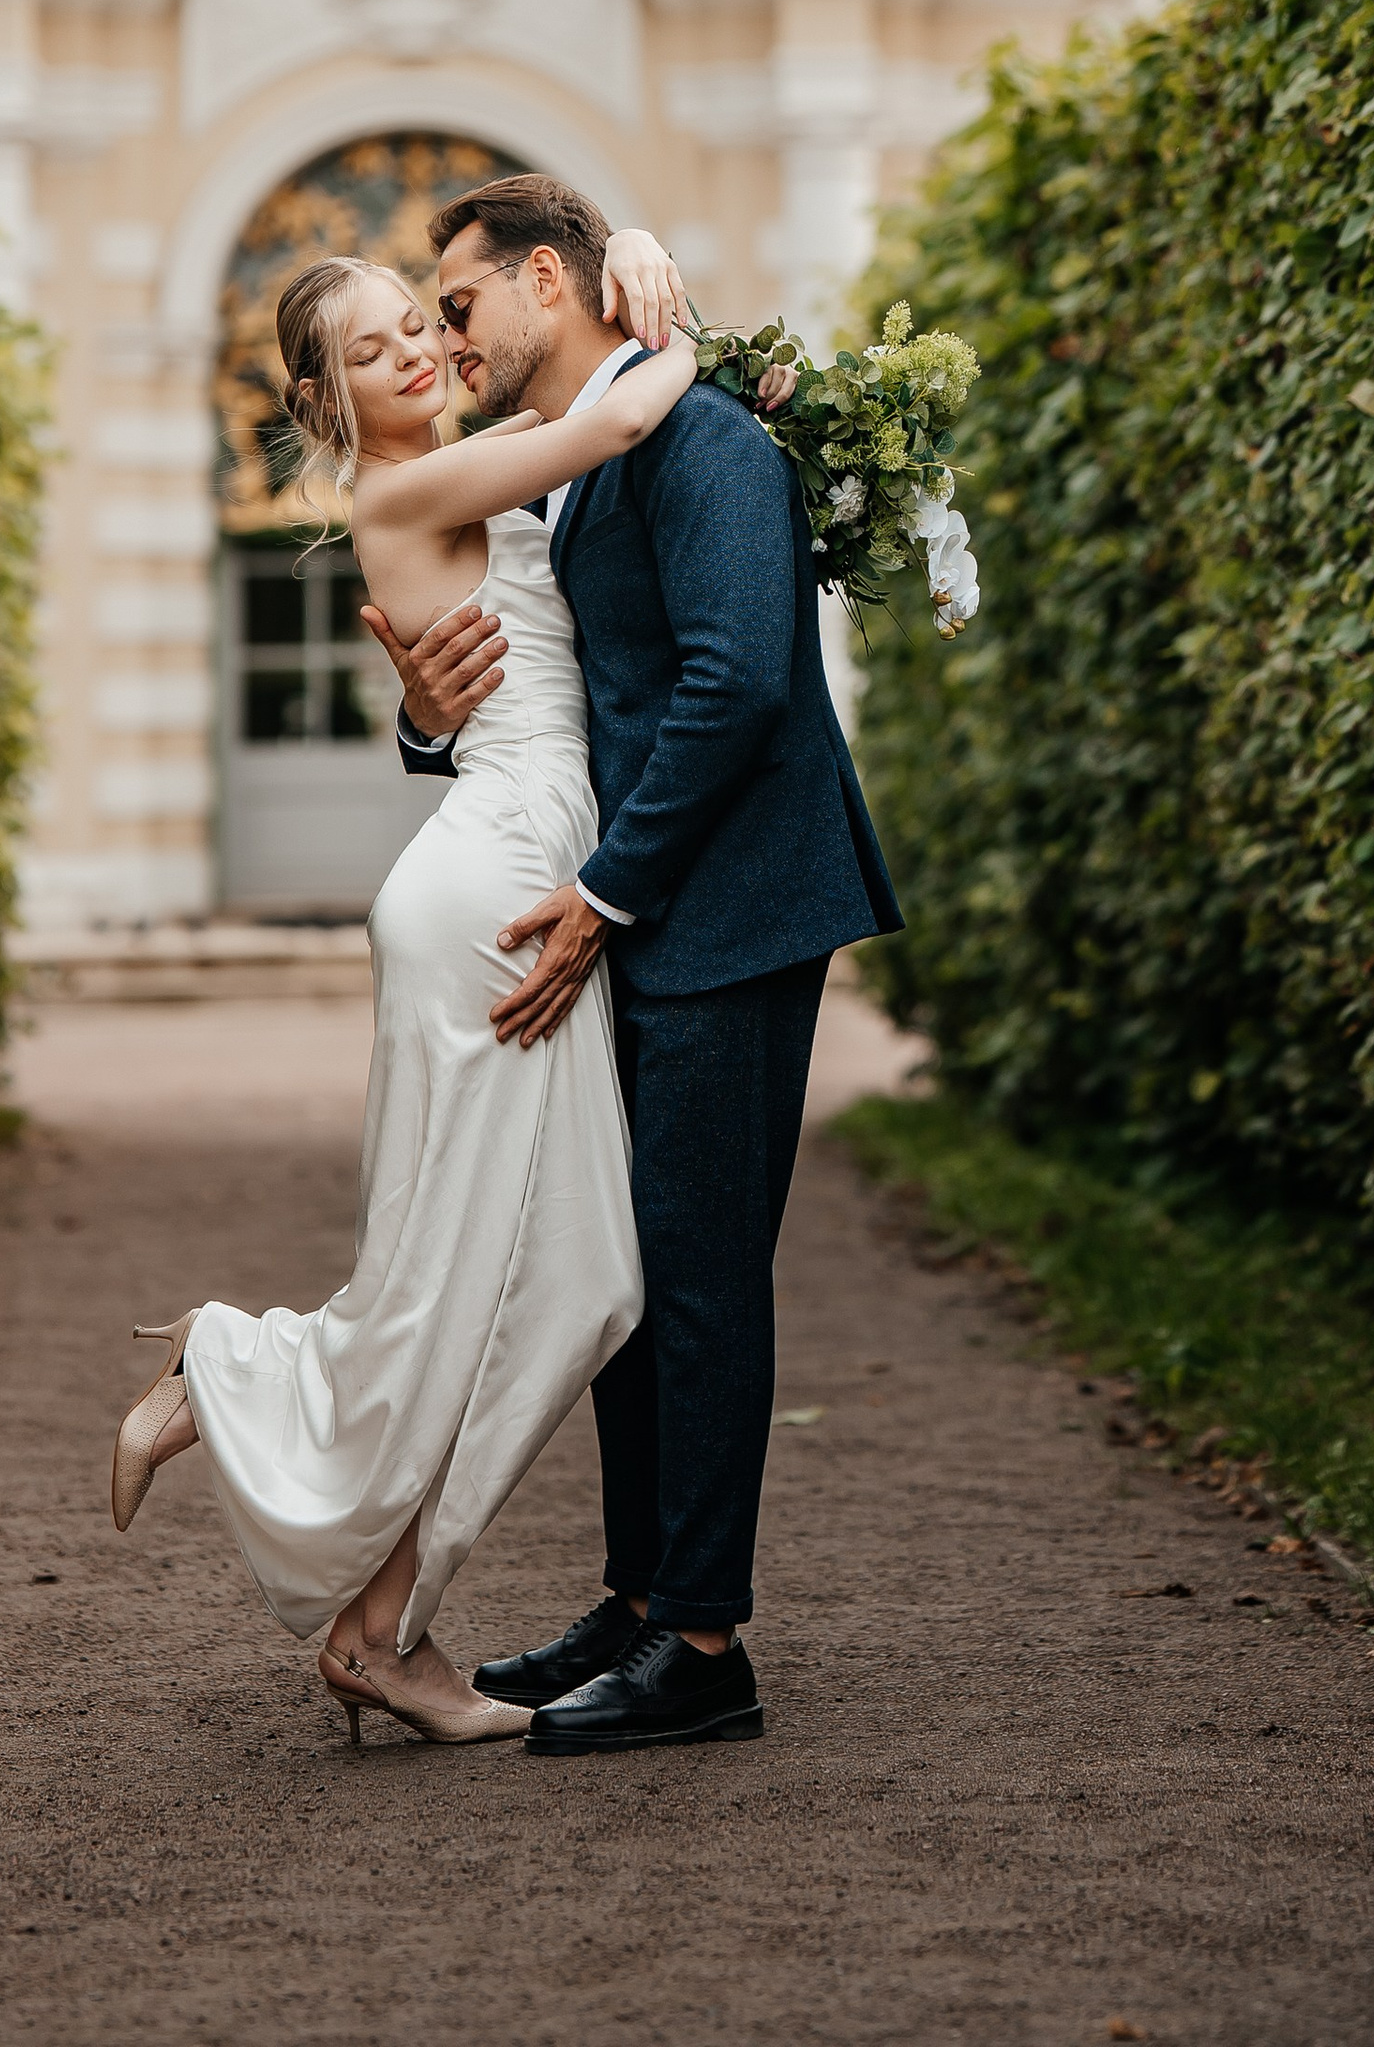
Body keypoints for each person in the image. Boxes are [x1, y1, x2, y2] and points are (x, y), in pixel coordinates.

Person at [106, 222, 691, 1750]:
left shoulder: (466, 466)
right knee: (493, 1275)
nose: (417, 352)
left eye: (418, 324)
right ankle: (250, 1398)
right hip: (493, 893)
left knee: (560, 1278)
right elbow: (618, 418)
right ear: (328, 401)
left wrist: (624, 256)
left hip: (508, 863)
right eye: (372, 351)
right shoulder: (409, 484)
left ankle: (375, 1618)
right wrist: (677, 317)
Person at [369, 172, 904, 1755]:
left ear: (550, 279)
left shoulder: (708, 440)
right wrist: (430, 723)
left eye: (460, 305)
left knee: (703, 1275)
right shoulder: (587, 467)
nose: (449, 342)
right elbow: (552, 697)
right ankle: (638, 1597)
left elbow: (740, 688)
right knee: (635, 1271)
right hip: (651, 917)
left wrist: (604, 894)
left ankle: (705, 1644)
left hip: (728, 911)